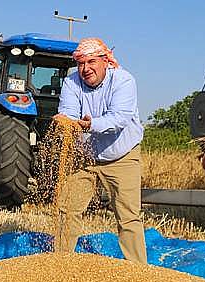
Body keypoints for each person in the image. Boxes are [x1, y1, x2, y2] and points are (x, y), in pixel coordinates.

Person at [53, 37, 147, 264]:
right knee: (67, 209)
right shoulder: (71, 82)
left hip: (121, 155)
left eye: (91, 62)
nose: (86, 69)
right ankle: (59, 264)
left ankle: (138, 273)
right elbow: (68, 111)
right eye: (81, 64)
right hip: (85, 155)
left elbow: (120, 118)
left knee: (128, 216)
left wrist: (90, 124)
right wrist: (65, 120)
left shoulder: (124, 81)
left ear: (106, 61)